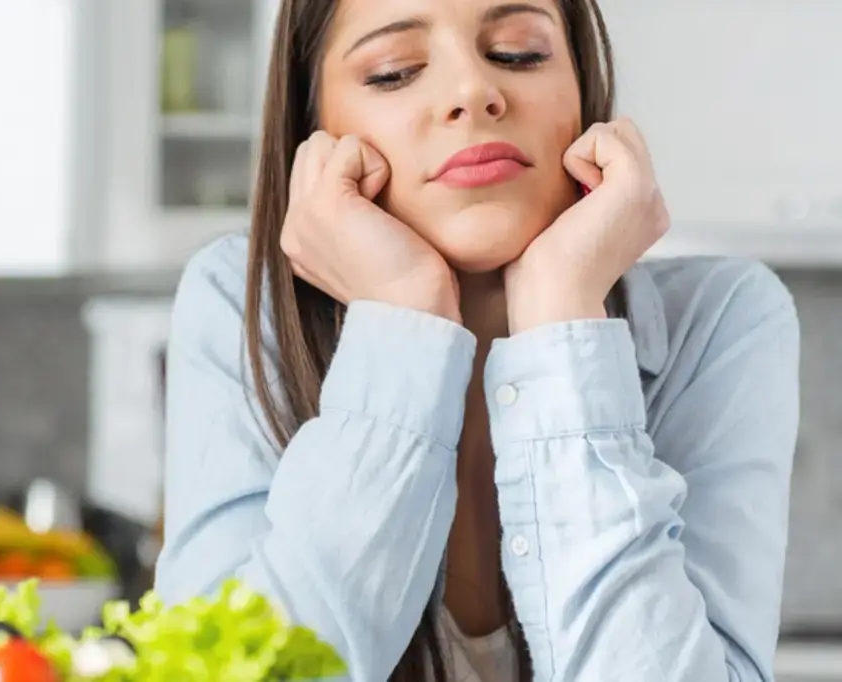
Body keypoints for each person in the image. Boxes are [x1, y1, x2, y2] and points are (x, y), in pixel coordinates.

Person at [154, 1, 798, 680]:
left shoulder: (722, 319)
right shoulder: (237, 304)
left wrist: (564, 319)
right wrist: (402, 318)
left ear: (584, 92)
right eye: (394, 71)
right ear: (314, 133)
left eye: (520, 53)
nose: (472, 91)